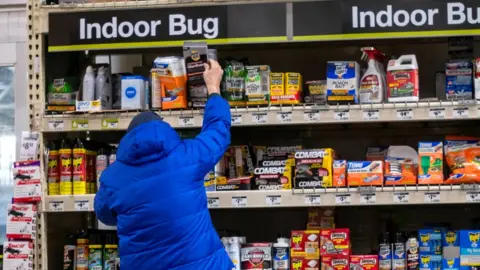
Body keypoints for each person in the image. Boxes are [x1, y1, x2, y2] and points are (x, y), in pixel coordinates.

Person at [94, 60, 234, 270]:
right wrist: (213, 88)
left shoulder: (112, 179)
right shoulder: (187, 157)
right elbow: (217, 132)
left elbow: (104, 215)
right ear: (164, 128)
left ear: (128, 139)